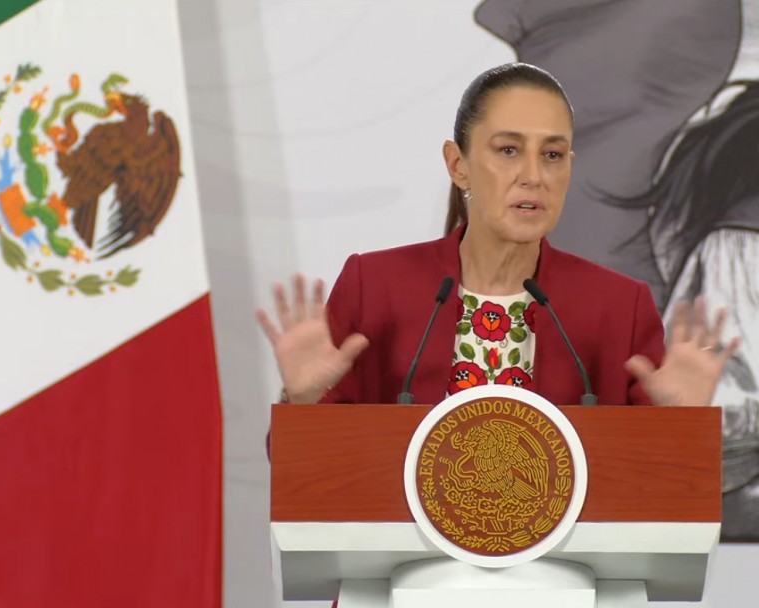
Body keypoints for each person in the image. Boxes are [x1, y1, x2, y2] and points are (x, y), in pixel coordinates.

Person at [257, 62, 739, 414]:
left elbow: (657, 488)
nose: (534, 175)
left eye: (552, 155)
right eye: (508, 150)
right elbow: (306, 475)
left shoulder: (618, 307)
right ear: (458, 164)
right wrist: (303, 400)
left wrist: (682, 422)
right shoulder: (375, 286)